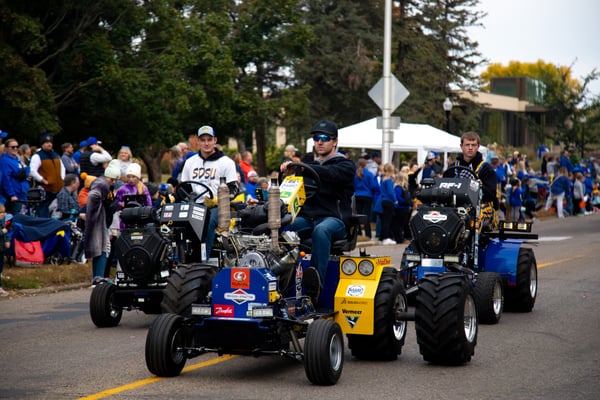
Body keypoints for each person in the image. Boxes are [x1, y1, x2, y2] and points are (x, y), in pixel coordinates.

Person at [280, 120, 354, 306]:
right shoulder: (307, 166)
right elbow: (290, 190)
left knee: (321, 231)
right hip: (308, 218)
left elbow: (330, 174)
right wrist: (287, 173)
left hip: (335, 220)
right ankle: (281, 282)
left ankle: (315, 287)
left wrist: (302, 167)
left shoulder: (345, 165)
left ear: (334, 142)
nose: (319, 142)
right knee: (283, 228)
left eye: (324, 138)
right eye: (316, 138)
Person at [180, 125, 238, 261]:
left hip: (218, 207)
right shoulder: (190, 163)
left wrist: (218, 199)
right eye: (203, 140)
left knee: (208, 221)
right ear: (198, 142)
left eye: (209, 139)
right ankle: (182, 260)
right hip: (195, 204)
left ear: (215, 140)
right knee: (177, 222)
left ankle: (203, 260)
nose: (206, 143)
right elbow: (184, 188)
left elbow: (234, 189)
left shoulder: (226, 162)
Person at [452, 131, 498, 229]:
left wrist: (481, 187)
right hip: (454, 210)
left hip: (478, 213)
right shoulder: (452, 168)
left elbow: (492, 194)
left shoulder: (486, 169)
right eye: (467, 145)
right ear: (461, 146)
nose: (470, 148)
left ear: (478, 146)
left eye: (473, 145)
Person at [85, 160, 121, 286]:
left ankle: (97, 277)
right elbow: (93, 196)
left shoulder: (102, 183)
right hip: (99, 220)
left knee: (98, 248)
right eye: (113, 179)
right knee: (104, 248)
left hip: (101, 220)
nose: (114, 182)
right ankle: (99, 277)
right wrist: (98, 209)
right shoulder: (102, 184)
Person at [29, 132, 65, 218]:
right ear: (42, 144)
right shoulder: (37, 156)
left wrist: (62, 179)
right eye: (46, 142)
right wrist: (42, 180)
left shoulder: (56, 155)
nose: (49, 144)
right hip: (45, 189)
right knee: (43, 211)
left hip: (57, 188)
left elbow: (62, 168)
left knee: (56, 212)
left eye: (50, 142)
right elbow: (33, 171)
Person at [1, 138, 30, 215]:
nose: (16, 148)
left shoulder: (18, 159)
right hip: (14, 194)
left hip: (22, 192)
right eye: (13, 147)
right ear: (6, 148)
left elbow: (27, 170)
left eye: (17, 146)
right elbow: (6, 179)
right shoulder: (4, 161)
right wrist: (12, 194)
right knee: (14, 217)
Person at [373, 163, 397, 245]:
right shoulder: (389, 180)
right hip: (388, 201)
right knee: (387, 220)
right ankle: (386, 238)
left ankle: (383, 237)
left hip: (383, 200)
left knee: (384, 220)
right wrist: (395, 200)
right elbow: (391, 191)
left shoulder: (383, 178)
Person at [354, 158, 377, 239]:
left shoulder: (355, 174)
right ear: (366, 164)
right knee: (367, 215)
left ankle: (358, 232)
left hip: (357, 195)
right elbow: (373, 186)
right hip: (367, 196)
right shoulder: (369, 174)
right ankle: (368, 234)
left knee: (357, 215)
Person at [0, 205, 10, 296]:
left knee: (1, 266)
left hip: (2, 248)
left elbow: (6, 234)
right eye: (1, 213)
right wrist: (2, 232)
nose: (3, 214)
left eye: (3, 212)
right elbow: (3, 232)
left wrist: (7, 241)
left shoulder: (1, 223)